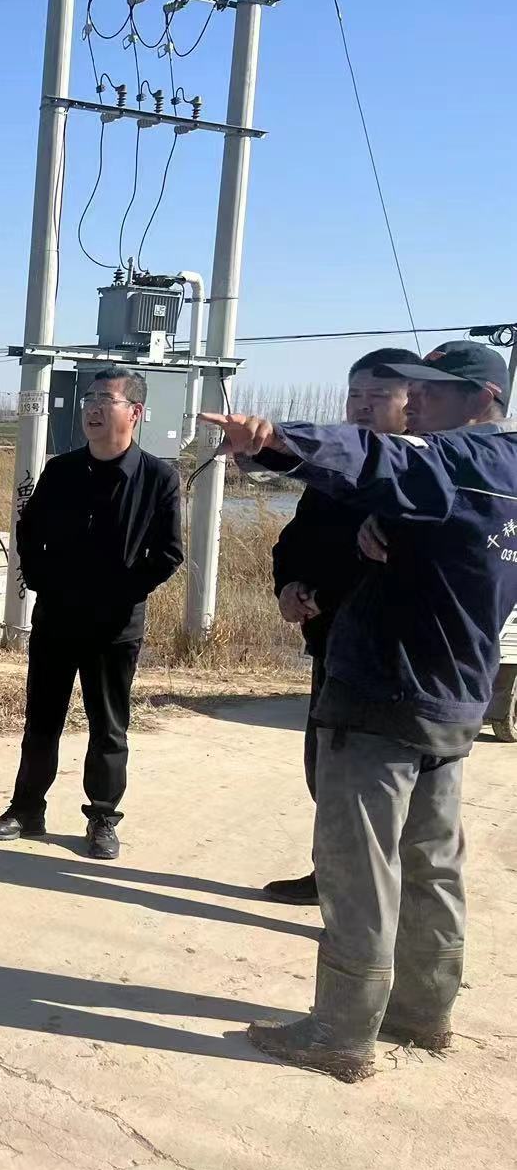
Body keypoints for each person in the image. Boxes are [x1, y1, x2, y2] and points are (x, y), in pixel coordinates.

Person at [205, 339, 514, 1082]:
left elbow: (376, 458)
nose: (418, 402)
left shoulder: (455, 460)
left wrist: (275, 439)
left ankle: (340, 1035)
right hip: (455, 693)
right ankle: (423, 1013)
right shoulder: (504, 471)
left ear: (482, 401)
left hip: (385, 692)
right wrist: (393, 537)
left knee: (357, 869)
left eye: (434, 392)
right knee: (432, 862)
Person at [0, 368, 184, 859]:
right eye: (89, 399)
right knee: (42, 719)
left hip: (115, 626)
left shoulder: (157, 478)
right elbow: (29, 530)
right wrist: (42, 579)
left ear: (134, 412)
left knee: (108, 727)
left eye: (105, 400)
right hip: (57, 618)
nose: (92, 408)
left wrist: (121, 592)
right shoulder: (62, 470)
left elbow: (168, 553)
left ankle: (102, 818)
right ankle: (26, 809)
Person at [264, 348, 424, 905]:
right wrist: (289, 586)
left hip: (392, 659)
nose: (362, 406)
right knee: (326, 768)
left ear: (412, 403)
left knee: (378, 783)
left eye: (378, 396)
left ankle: (374, 898)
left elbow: (393, 567)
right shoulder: (337, 474)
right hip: (331, 645)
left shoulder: (419, 476)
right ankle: (330, 875)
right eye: (355, 395)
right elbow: (295, 541)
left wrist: (325, 593)